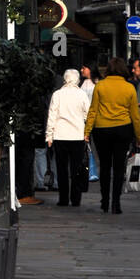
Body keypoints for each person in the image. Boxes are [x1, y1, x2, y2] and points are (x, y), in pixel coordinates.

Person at [84, 57, 140, 213]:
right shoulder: (129, 87)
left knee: (105, 166)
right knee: (118, 167)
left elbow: (93, 110)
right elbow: (135, 115)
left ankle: (105, 200)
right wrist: (139, 136)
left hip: (102, 129)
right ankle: (116, 203)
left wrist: (87, 131)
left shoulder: (100, 86)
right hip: (123, 129)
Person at [46, 68, 90, 207]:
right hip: (77, 135)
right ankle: (76, 199)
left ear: (65, 79)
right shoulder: (82, 94)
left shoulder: (57, 94)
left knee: (62, 169)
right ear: (77, 80)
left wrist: (49, 135)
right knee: (76, 169)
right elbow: (87, 114)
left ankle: (63, 199)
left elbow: (52, 116)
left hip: (60, 135)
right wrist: (87, 132)